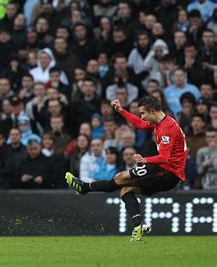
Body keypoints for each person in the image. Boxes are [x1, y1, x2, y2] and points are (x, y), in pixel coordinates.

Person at [65, 96, 188, 241]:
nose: (142, 117)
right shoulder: (160, 122)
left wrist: (145, 159)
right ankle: (139, 225)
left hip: (167, 173)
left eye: (143, 113)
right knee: (125, 190)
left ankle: (85, 187)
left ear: (153, 111)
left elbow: (164, 157)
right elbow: (141, 125)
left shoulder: (167, 128)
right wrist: (121, 111)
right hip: (166, 173)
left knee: (120, 177)